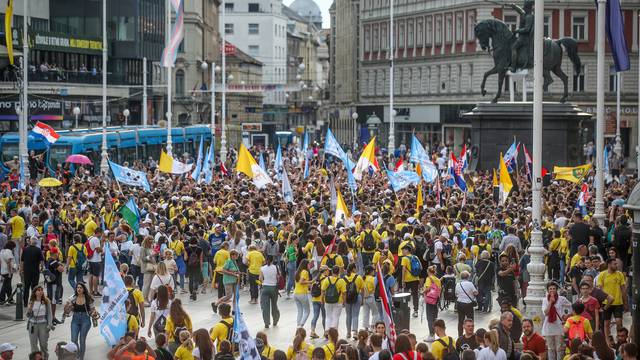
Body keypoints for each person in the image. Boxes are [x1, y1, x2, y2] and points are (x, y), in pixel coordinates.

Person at [63, 282, 97, 360]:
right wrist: (67, 308)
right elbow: (67, 311)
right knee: (73, 340)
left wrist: (94, 313)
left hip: (85, 319)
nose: (79, 289)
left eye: (80, 288)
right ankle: (77, 355)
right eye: (77, 287)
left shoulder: (88, 298)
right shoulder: (72, 298)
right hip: (75, 319)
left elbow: (92, 309)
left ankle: (81, 358)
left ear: (84, 289)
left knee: (82, 340)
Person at [597, 257, 627, 340]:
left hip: (618, 302)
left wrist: (625, 303)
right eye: (615, 264)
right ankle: (607, 340)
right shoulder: (602, 274)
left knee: (619, 322)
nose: (616, 265)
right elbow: (600, 289)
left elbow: (623, 289)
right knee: (606, 323)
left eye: (616, 264)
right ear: (609, 265)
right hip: (607, 303)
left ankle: (619, 339)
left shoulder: (619, 274)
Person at [541, 281, 570, 360]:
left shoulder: (561, 299)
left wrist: (566, 315)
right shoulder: (545, 300)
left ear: (556, 290)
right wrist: (550, 302)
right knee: (550, 348)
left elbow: (570, 306)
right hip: (549, 327)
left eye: (554, 289)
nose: (552, 290)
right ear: (547, 290)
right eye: (550, 289)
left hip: (559, 326)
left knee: (559, 348)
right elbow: (546, 313)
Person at [26, 285, 52, 359]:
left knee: (43, 344)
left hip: (43, 324)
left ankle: (45, 358)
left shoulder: (46, 301)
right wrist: (29, 309)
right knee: (33, 345)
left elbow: (50, 314)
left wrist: (49, 325)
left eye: (41, 290)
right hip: (32, 325)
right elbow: (28, 315)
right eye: (38, 290)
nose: (40, 292)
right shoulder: (32, 301)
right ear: (35, 292)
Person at [21, 236, 44, 306]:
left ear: (30, 241)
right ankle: (33, 301)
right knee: (34, 287)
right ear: (36, 242)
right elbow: (42, 261)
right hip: (35, 271)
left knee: (26, 286)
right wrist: (41, 268)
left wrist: (21, 269)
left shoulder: (25, 249)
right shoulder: (38, 250)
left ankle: (25, 302)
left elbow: (22, 261)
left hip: (27, 271)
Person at [259, 255, 280, 328]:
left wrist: (264, 281)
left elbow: (260, 279)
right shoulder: (276, 267)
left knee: (265, 306)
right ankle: (275, 321)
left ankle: (266, 323)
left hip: (265, 288)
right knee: (274, 305)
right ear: (272, 260)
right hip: (274, 288)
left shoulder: (262, 268)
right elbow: (278, 277)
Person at [322, 266, 345, 330]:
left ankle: (327, 330)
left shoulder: (327, 279)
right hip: (338, 301)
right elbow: (344, 293)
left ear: (332, 272)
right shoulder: (341, 281)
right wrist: (344, 301)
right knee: (336, 317)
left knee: (328, 317)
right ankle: (334, 332)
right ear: (339, 272)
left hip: (327, 301)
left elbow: (323, 291)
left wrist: (322, 300)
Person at [344, 262, 364, 339]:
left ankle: (348, 333)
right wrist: (362, 299)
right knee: (355, 315)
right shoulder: (358, 277)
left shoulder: (344, 278)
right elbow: (362, 289)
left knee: (348, 315)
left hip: (347, 298)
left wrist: (343, 300)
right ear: (353, 269)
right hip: (357, 297)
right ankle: (355, 332)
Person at [455, 271, 477, 337]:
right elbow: (475, 292)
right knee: (470, 320)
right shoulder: (470, 284)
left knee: (460, 320)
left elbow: (456, 294)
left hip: (460, 303)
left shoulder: (458, 284)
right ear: (468, 277)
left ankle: (460, 335)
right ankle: (470, 334)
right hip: (468, 304)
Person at [400, 245, 421, 318]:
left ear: (407, 250)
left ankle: (405, 309)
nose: (402, 251)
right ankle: (416, 311)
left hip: (407, 279)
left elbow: (403, 270)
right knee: (415, 295)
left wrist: (402, 281)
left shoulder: (404, 258)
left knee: (405, 295)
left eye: (403, 250)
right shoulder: (416, 257)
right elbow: (420, 267)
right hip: (415, 278)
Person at [293, 259, 312, 328]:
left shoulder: (298, 272)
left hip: (295, 293)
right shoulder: (305, 272)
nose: (310, 265)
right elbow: (301, 282)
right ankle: (301, 326)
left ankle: (298, 326)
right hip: (302, 294)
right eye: (309, 264)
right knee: (307, 311)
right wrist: (310, 282)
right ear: (305, 265)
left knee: (300, 311)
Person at [0, 241, 17, 305]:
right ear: (11, 246)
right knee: (5, 286)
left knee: (8, 286)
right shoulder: (9, 252)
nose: (13, 249)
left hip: (3, 271)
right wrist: (10, 273)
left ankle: (10, 299)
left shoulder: (2, 251)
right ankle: (2, 299)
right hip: (8, 272)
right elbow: (9, 263)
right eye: (13, 247)